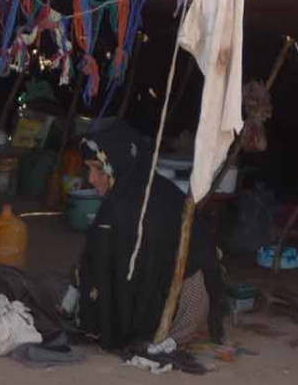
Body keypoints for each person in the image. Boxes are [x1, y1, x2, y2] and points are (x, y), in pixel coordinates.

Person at [74, 131, 225, 351]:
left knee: (192, 285)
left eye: (99, 169)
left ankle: (154, 336)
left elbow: (199, 258)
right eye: (89, 169)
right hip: (136, 301)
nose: (91, 179)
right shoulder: (114, 205)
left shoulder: (158, 200)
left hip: (171, 308)